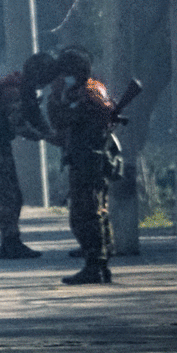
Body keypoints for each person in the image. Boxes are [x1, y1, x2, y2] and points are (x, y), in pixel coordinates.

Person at [0, 51, 57, 259]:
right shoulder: (13, 91)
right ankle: (11, 243)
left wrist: (50, 133)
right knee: (5, 195)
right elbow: (19, 124)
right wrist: (45, 137)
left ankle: (10, 242)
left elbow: (36, 117)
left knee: (13, 196)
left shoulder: (25, 88)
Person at [49, 47, 120, 285]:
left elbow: (60, 120)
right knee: (96, 212)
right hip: (90, 159)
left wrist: (54, 97)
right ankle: (100, 264)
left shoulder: (86, 94)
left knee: (85, 215)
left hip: (88, 160)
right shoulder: (92, 90)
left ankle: (95, 265)